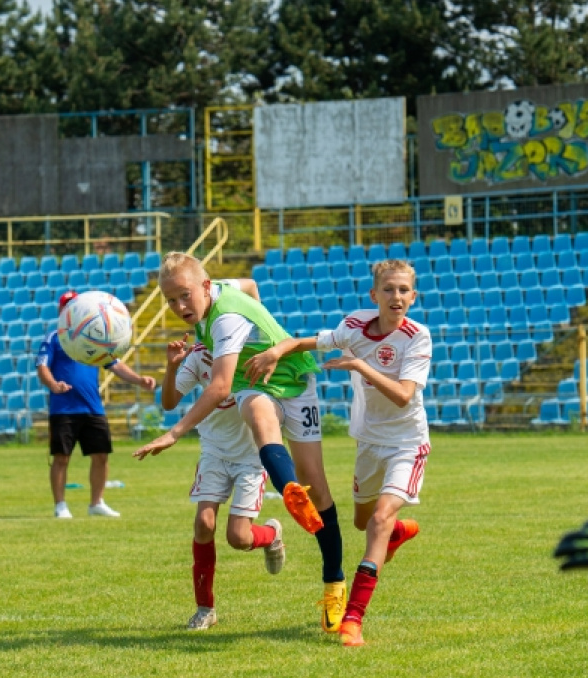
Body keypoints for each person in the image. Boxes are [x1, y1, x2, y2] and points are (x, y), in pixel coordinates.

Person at [133, 253, 347, 633]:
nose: (179, 307)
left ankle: (334, 582)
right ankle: (289, 489)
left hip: (295, 380)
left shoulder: (227, 320)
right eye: (170, 300)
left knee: (321, 490)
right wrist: (260, 324)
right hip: (257, 383)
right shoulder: (222, 293)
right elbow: (249, 286)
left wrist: (174, 433)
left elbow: (218, 387)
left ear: (204, 287)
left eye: (184, 296)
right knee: (259, 415)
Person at [245, 259, 431, 647]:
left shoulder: (417, 336)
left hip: (406, 444)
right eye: (389, 290)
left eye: (403, 291)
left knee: (377, 519)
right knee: (365, 523)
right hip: (369, 444)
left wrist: (361, 366)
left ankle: (353, 620)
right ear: (374, 295)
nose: (396, 297)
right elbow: (308, 341)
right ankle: (396, 533)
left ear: (414, 297)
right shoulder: (354, 326)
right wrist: (278, 350)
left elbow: (402, 396)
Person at [164, 324, 285, 631]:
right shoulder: (197, 358)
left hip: (250, 457)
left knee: (238, 538)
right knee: (203, 524)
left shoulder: (252, 354)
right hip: (214, 453)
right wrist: (171, 367)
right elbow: (168, 402)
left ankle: (271, 535)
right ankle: (205, 609)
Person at [36, 291, 156, 519]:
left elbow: (115, 364)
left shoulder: (94, 333)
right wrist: (53, 385)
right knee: (61, 458)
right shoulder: (55, 337)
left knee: (101, 456)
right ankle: (60, 505)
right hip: (63, 408)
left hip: (92, 406)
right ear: (61, 311)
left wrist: (139, 380)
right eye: (66, 306)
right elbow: (42, 367)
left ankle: (96, 502)